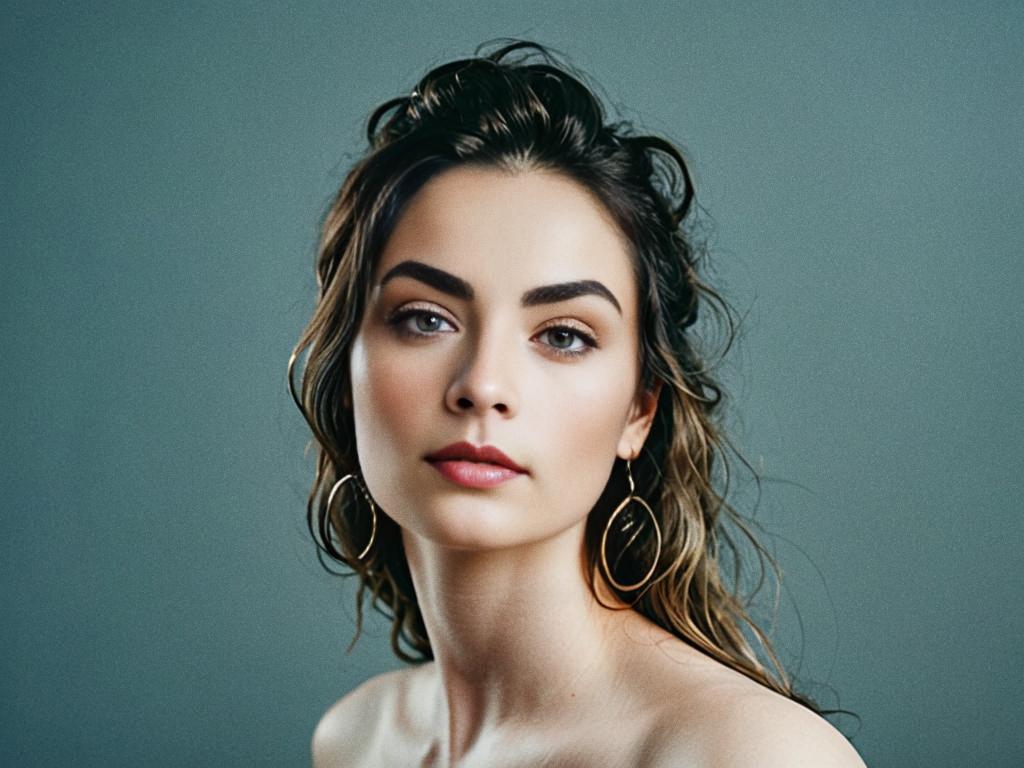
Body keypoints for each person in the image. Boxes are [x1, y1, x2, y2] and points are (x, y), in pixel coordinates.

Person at [289, 39, 866, 767]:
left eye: (562, 334)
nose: (483, 386)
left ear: (640, 411)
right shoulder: (359, 741)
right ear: (346, 369)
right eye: (425, 318)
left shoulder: (747, 755)